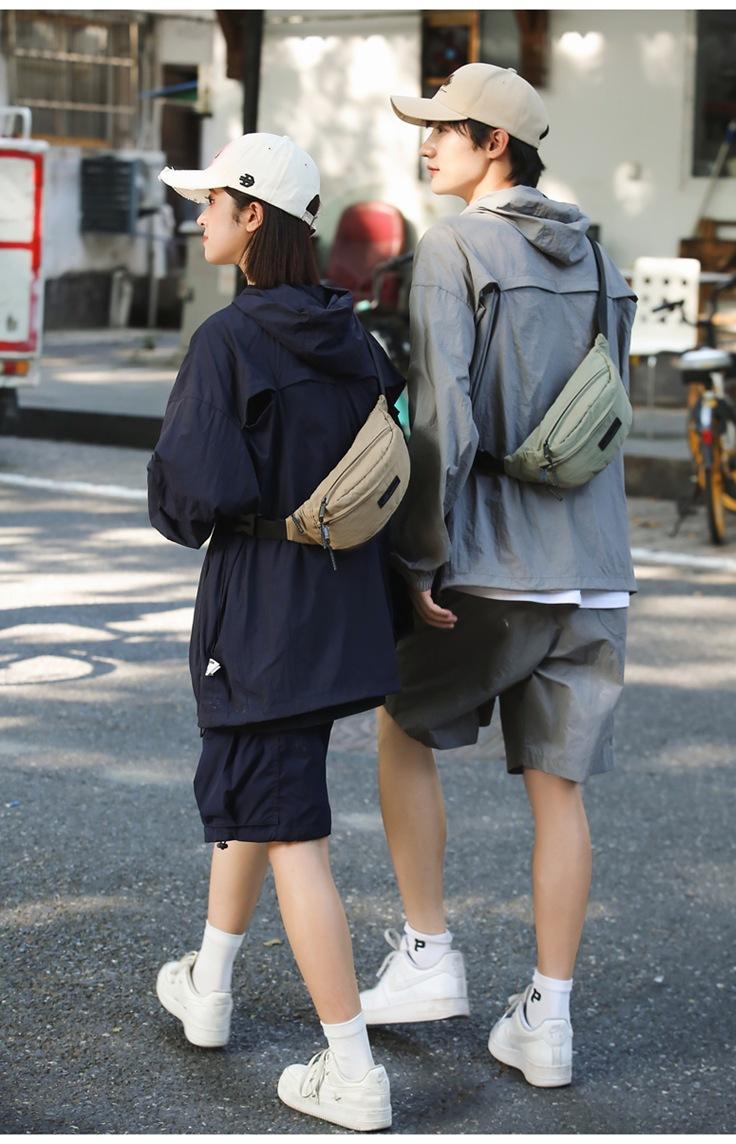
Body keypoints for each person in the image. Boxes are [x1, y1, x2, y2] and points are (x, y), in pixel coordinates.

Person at [359, 64, 637, 1088]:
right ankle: (547, 1022)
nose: (428, 143)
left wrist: (418, 555)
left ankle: (428, 950)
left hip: (491, 562)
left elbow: (445, 416)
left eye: (449, 129)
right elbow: (606, 410)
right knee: (560, 794)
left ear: (497, 146)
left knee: (401, 720)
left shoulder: (456, 246)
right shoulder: (601, 256)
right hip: (595, 571)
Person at [147, 133, 404, 1132]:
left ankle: (354, 1071)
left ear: (253, 215)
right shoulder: (357, 340)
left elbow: (190, 503)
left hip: (261, 610)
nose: (199, 217)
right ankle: (210, 983)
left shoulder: (229, 340)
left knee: (290, 827)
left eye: (211, 202)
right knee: (263, 782)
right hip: (341, 604)